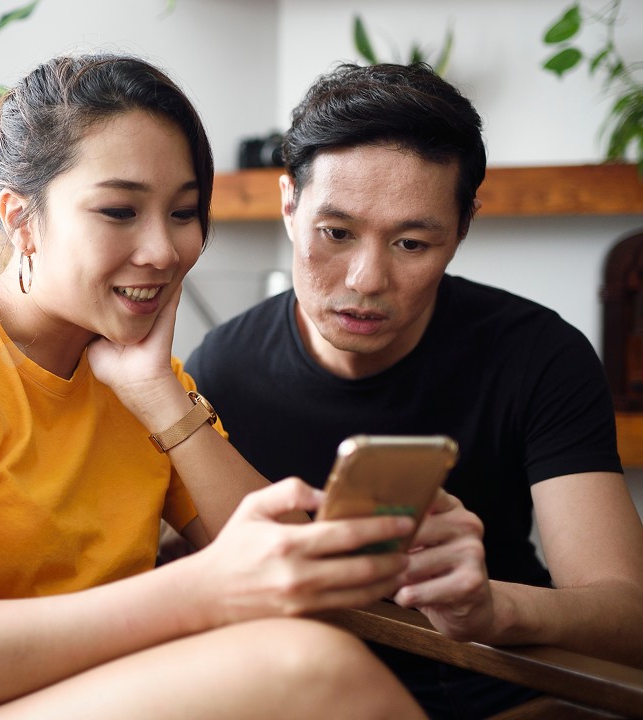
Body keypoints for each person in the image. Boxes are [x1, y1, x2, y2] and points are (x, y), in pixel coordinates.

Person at [0, 53, 429, 719]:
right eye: (119, 210)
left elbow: (297, 572)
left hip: (81, 692)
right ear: (21, 219)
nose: (163, 250)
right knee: (313, 670)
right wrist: (201, 589)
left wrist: (156, 391)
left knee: (308, 648)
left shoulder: (142, 379)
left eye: (184, 213)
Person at [185, 62, 643, 718]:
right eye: (335, 233)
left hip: (505, 695)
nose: (368, 279)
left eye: (411, 242)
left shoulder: (539, 355)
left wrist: (490, 608)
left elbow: (628, 618)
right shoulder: (221, 368)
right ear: (289, 206)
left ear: (462, 228)